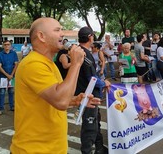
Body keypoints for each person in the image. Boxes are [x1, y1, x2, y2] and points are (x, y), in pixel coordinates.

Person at [10, 18, 101, 153]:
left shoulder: (49, 64)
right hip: (35, 150)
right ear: (41, 36)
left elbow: (53, 97)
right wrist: (76, 64)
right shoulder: (33, 64)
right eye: (57, 30)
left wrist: (74, 100)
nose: (62, 34)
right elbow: (60, 101)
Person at [76, 26, 111, 154]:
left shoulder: (80, 51)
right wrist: (103, 83)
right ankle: (87, 151)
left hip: (90, 94)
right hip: (87, 96)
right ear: (90, 37)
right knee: (90, 126)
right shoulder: (84, 53)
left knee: (96, 123)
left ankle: (100, 148)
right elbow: (91, 77)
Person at [0, 40, 19, 115]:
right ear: (3, 46)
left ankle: (12, 106)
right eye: (5, 45)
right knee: (2, 92)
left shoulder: (14, 54)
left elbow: (16, 64)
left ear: (10, 45)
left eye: (8, 44)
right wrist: (7, 75)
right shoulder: (0, 55)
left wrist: (11, 75)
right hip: (3, 77)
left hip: (12, 76)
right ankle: (1, 108)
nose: (6, 46)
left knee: (11, 91)